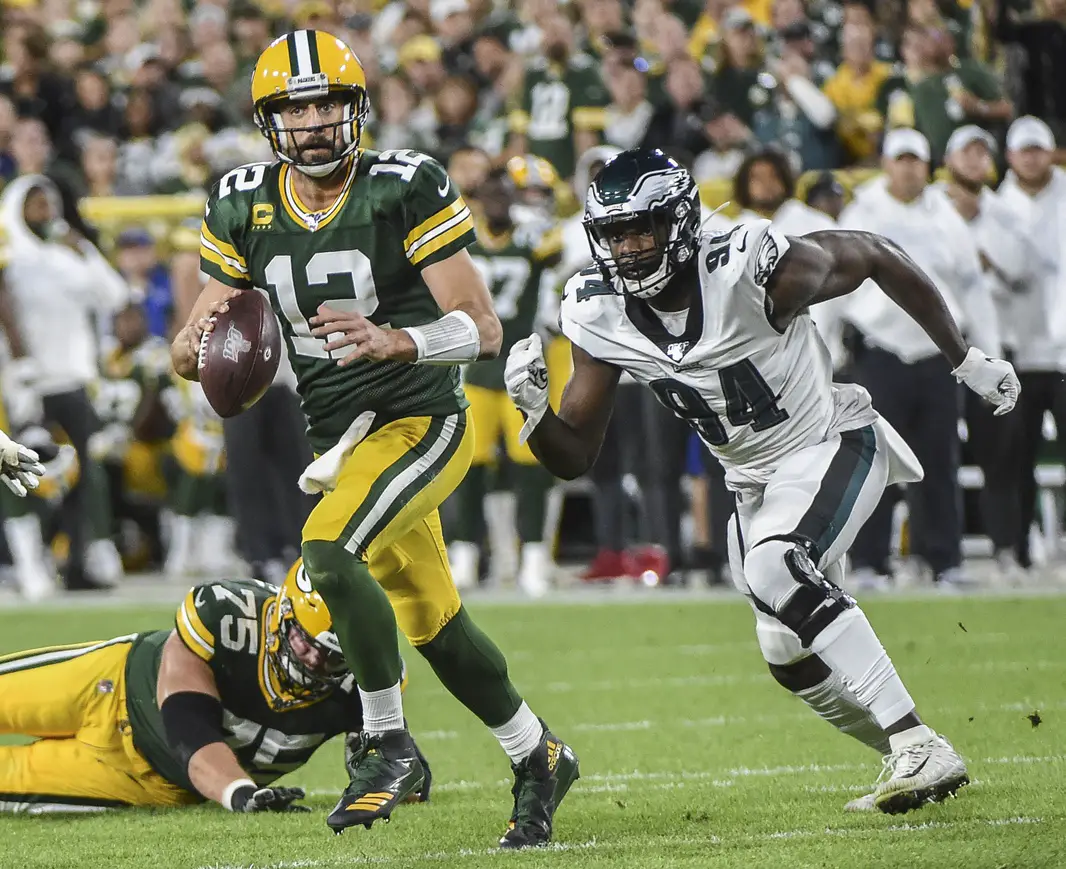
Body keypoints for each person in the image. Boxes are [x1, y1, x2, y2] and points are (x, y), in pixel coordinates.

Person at [504, 147, 1020, 813]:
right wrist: (537, 413)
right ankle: (908, 751)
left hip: (831, 439)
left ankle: (916, 738)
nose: (628, 250)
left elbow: (876, 253)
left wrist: (965, 357)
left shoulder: (747, 264)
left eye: (641, 230)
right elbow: (574, 454)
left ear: (680, 221)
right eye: (613, 235)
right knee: (786, 654)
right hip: (752, 482)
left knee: (775, 565)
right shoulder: (598, 311)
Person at [170, 31, 578, 847]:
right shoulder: (242, 201)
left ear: (354, 109)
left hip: (422, 417)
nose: (315, 122)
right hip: (342, 438)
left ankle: (385, 741)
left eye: (327, 103)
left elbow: (485, 327)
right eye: (297, 107)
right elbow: (194, 337)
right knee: (437, 625)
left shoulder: (404, 184)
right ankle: (538, 753)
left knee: (325, 549)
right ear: (270, 120)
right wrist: (196, 351)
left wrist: (402, 339)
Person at [0, 562, 431, 813]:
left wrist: (392, 768)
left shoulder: (368, 681)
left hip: (147, 782)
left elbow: (394, 774)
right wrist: (240, 793)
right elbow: (188, 720)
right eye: (306, 643)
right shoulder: (227, 614)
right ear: (282, 614)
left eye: (333, 656)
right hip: (108, 685)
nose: (314, 661)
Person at [840, 129, 1001, 588]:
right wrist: (826, 347)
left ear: (927, 166)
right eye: (900, 160)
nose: (908, 168)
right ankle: (870, 562)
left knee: (939, 460)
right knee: (871, 463)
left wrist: (987, 357)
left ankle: (945, 560)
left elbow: (972, 287)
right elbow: (831, 286)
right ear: (886, 164)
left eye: (916, 160)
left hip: (937, 357)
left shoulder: (945, 216)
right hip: (878, 354)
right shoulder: (863, 212)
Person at [445, 159, 562, 596]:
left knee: (531, 468)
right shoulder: (462, 238)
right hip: (475, 367)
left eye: (503, 195)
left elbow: (559, 249)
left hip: (521, 369)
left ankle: (533, 557)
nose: (497, 202)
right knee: (470, 469)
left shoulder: (533, 237)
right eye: (489, 195)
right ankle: (465, 555)